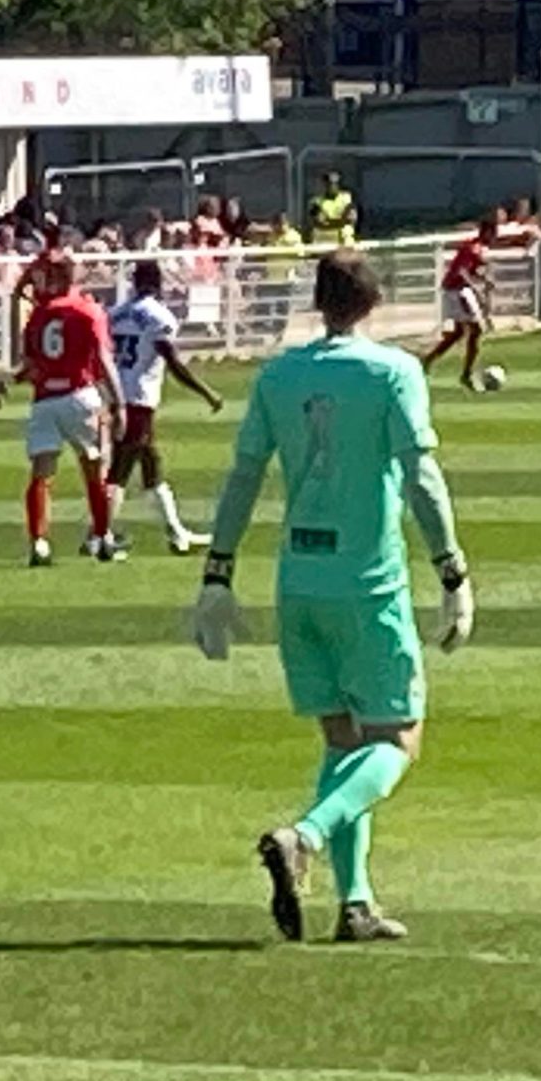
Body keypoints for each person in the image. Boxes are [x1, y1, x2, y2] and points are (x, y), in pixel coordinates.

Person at [185, 248, 472, 946]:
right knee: (397, 740)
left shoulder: (279, 375)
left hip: (299, 581)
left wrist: (217, 573)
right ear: (374, 302)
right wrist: (452, 569)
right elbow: (421, 476)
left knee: (343, 741)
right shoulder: (393, 372)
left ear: (317, 302)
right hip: (366, 582)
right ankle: (305, 837)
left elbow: (244, 475)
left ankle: (355, 904)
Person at [0, 249, 123, 567]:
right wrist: (119, 403)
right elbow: (103, 360)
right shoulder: (87, 310)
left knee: (41, 473)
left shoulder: (40, 315)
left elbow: (30, 364)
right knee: (95, 469)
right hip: (80, 395)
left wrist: (10, 378)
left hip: (44, 401)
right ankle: (103, 536)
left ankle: (39, 542)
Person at [103, 258, 221, 555]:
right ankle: (98, 537)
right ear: (158, 282)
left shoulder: (115, 313)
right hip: (139, 398)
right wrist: (207, 392)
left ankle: (177, 533)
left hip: (117, 396)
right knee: (120, 470)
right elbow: (173, 362)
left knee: (151, 465)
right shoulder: (158, 316)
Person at [420, 220, 496, 391]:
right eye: (493, 233)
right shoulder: (474, 248)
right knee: (475, 330)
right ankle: (465, 374)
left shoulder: (477, 248)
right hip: (456, 291)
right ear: (487, 232)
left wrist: (484, 281)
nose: (494, 237)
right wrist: (477, 288)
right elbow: (462, 271)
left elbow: (471, 271)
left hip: (457, 290)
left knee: (459, 332)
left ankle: (428, 360)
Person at [309, 171, 359, 247]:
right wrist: (342, 219)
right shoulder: (317, 201)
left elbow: (351, 220)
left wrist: (329, 220)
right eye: (330, 183)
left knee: (347, 231)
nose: (333, 186)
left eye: (336, 183)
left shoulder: (347, 198)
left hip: (342, 237)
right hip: (324, 236)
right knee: (316, 233)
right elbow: (320, 223)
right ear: (325, 185)